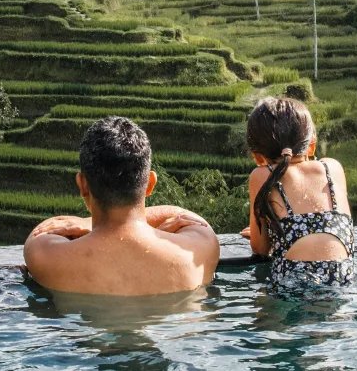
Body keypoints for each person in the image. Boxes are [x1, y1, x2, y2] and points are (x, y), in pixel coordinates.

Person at [23, 116, 221, 296]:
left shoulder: (44, 254)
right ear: (150, 183)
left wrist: (88, 224)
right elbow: (181, 214)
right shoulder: (200, 246)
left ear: (82, 185)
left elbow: (52, 226)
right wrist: (148, 228)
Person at [242, 96, 354, 290]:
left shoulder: (261, 175)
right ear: (311, 145)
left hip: (292, 286)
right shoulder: (333, 168)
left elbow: (260, 249)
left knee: (262, 313)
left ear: (258, 157)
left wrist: (264, 232)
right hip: (342, 283)